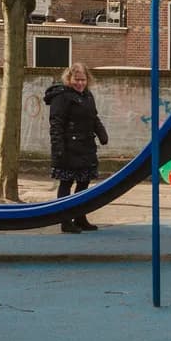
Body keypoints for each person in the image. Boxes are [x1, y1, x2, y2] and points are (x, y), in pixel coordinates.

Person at [44, 62, 108, 233]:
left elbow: (93, 117)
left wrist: (102, 134)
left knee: (83, 183)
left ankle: (80, 217)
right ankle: (65, 220)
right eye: (76, 79)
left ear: (87, 80)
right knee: (66, 183)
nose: (80, 83)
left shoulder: (88, 96)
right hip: (68, 148)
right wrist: (58, 149)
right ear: (69, 78)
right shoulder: (62, 96)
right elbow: (56, 124)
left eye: (83, 80)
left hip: (86, 147)